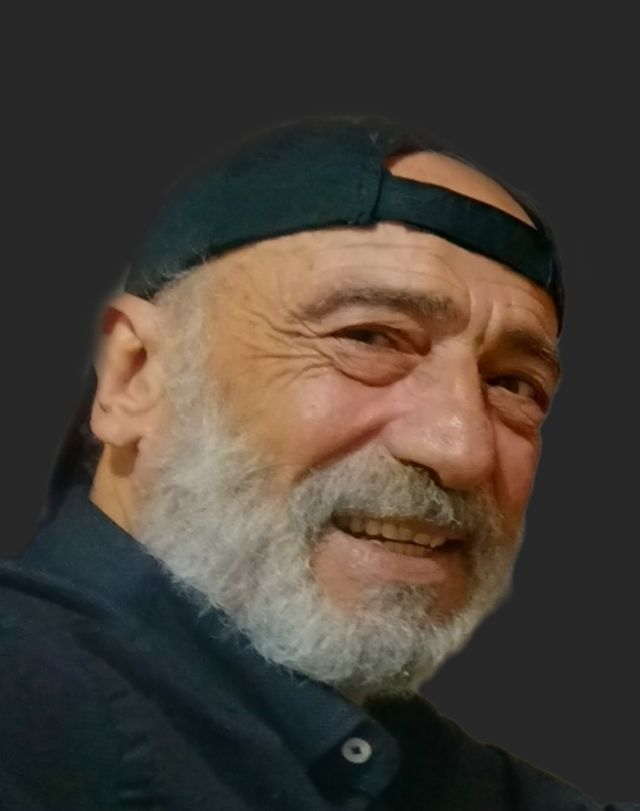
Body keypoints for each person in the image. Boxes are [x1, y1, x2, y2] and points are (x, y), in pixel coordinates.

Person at [0, 118, 635, 811]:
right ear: (135, 376)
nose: (462, 448)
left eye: (514, 384)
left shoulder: (429, 773)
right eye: (369, 337)